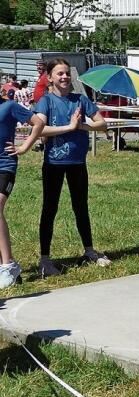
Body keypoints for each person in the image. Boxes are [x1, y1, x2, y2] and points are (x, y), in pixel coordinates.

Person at [33, 59, 110, 277]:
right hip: (54, 164)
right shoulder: (45, 101)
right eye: (59, 74)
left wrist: (82, 126)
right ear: (50, 77)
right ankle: (45, 259)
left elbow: (101, 123)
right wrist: (68, 127)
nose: (65, 77)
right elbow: (40, 129)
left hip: (77, 163)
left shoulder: (80, 100)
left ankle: (89, 250)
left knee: (81, 207)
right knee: (50, 208)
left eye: (67, 73)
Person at [0, 99, 45, 288]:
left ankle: (8, 265)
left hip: (4, 166)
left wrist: (24, 147)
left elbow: (39, 123)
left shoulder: (8, 106)